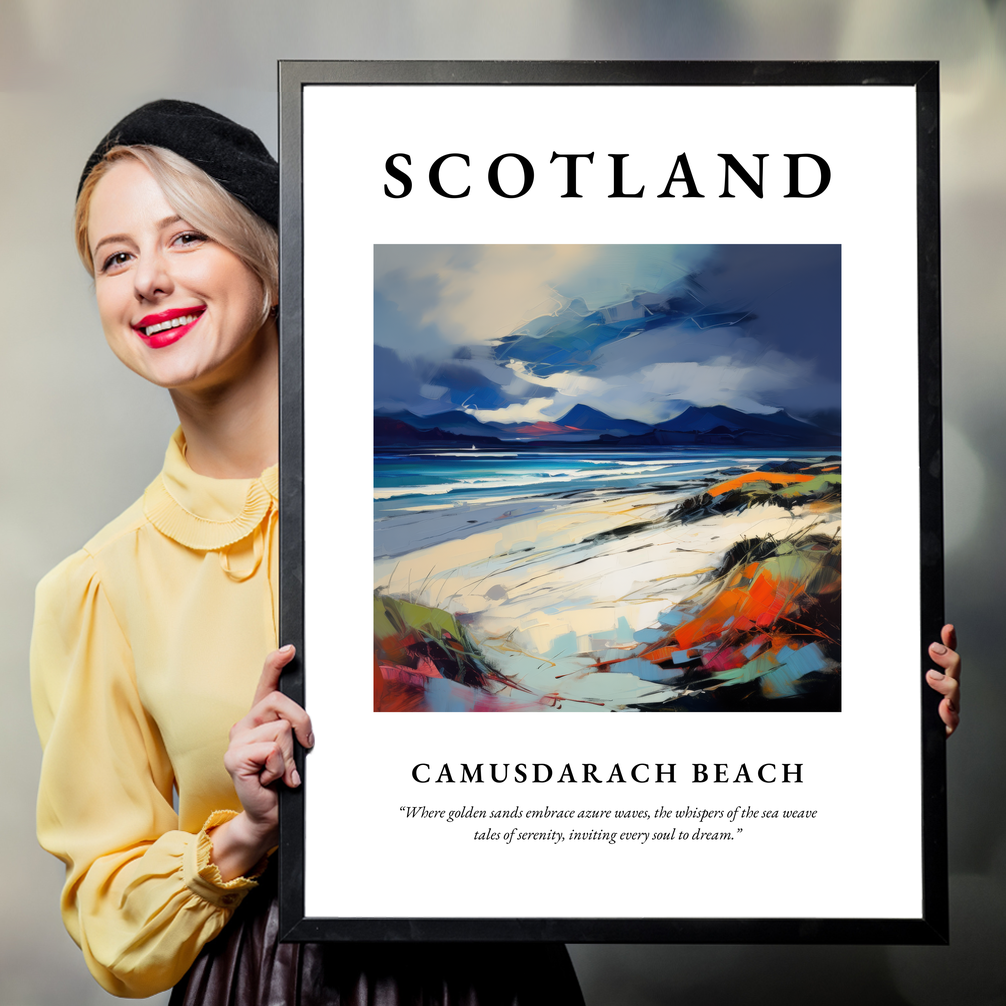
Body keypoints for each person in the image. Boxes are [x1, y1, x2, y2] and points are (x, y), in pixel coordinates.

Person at [30, 100, 585, 1004]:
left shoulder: (458, 504)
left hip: (492, 972)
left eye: (185, 239)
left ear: (274, 264)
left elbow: (603, 708)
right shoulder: (97, 587)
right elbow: (110, 924)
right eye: (116, 257)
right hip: (264, 981)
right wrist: (245, 832)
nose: (148, 281)